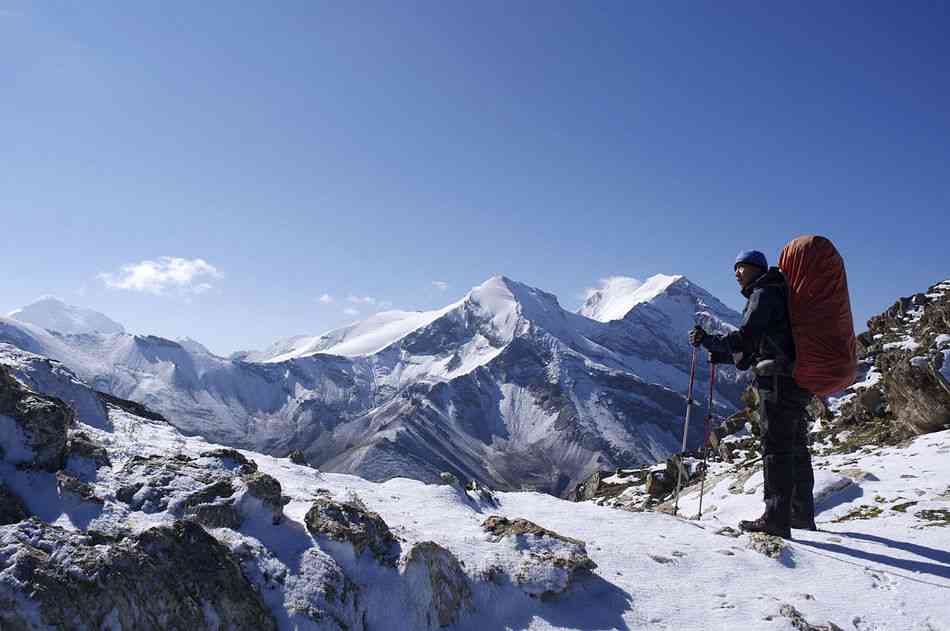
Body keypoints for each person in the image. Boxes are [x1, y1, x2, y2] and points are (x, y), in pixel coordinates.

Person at [688, 250, 816, 539]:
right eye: (735, 269)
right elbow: (758, 347)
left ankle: (775, 518)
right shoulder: (780, 293)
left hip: (777, 382)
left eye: (742, 268)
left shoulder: (764, 293)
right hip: (796, 379)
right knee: (795, 447)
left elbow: (747, 337)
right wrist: (721, 355)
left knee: (776, 450)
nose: (736, 274)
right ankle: (800, 513)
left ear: (756, 269)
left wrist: (710, 341)